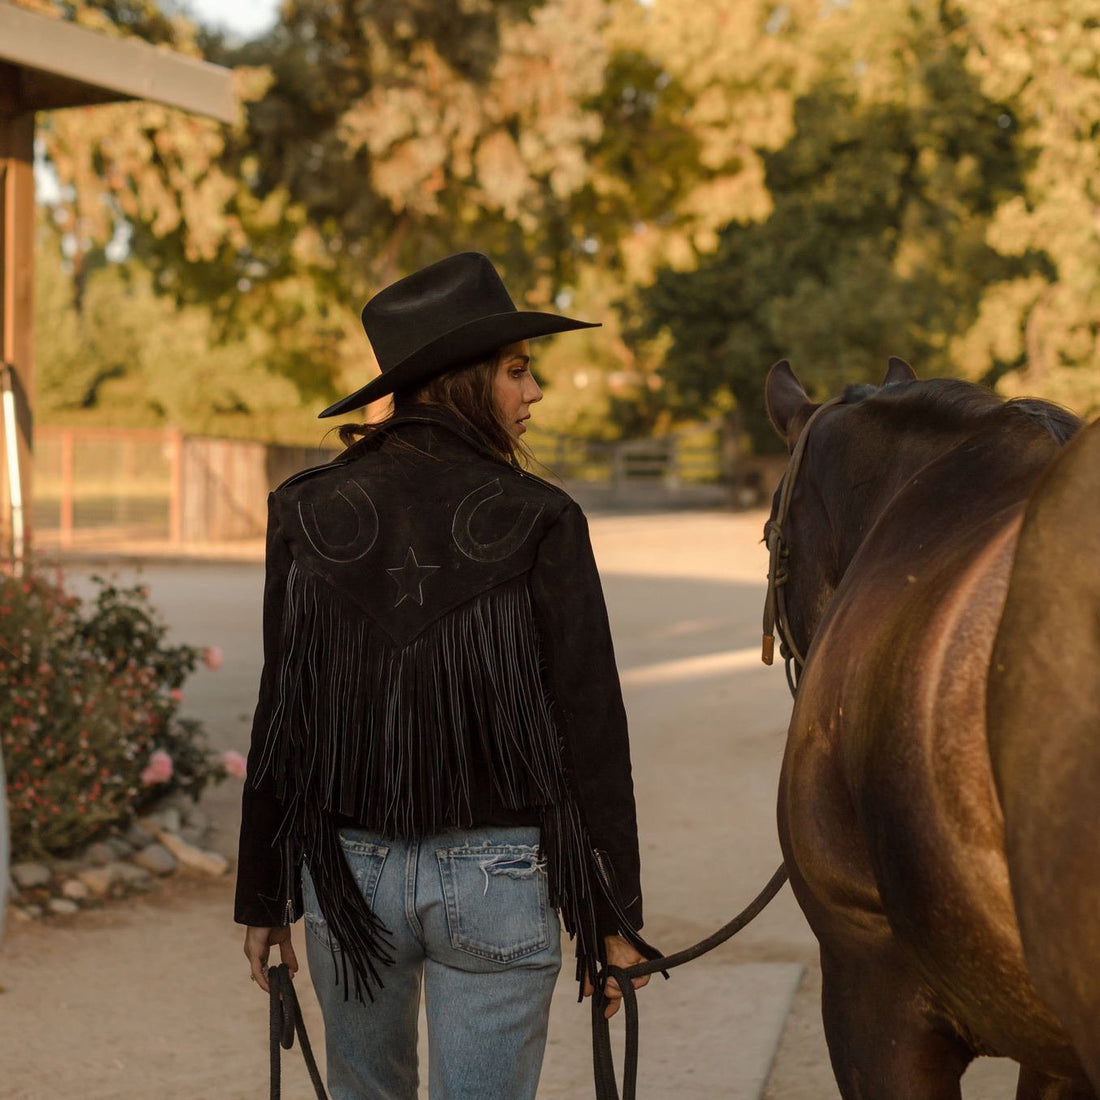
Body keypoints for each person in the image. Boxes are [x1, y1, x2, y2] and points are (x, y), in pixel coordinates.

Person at [235, 251, 657, 1099]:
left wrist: (264, 896)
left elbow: (283, 711)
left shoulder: (307, 509)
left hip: (348, 876)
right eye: (516, 370)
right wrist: (614, 920)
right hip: (498, 874)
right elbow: (589, 725)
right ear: (462, 380)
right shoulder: (545, 517)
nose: (534, 393)